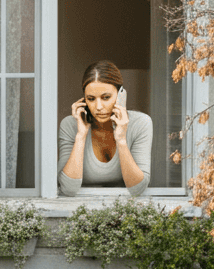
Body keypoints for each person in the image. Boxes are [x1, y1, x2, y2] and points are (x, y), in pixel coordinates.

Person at [58, 60, 152, 196]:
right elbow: (68, 189)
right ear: (84, 100)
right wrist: (81, 136)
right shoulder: (70, 125)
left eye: (106, 97)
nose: (99, 107)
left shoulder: (141, 123)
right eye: (91, 99)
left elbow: (137, 188)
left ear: (121, 95)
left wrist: (121, 139)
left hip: (125, 209)